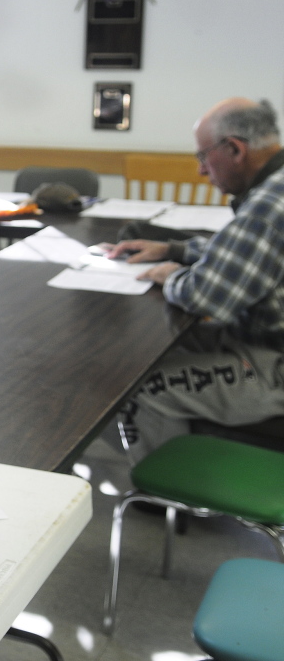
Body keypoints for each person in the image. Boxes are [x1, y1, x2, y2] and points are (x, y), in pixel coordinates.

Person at [106, 97, 284, 461]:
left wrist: (172, 274)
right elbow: (245, 253)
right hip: (265, 345)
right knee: (161, 352)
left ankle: (163, 501)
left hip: (274, 365)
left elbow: (206, 295)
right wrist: (173, 250)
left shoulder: (271, 201)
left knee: (138, 385)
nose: (202, 171)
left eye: (203, 157)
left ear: (234, 149)